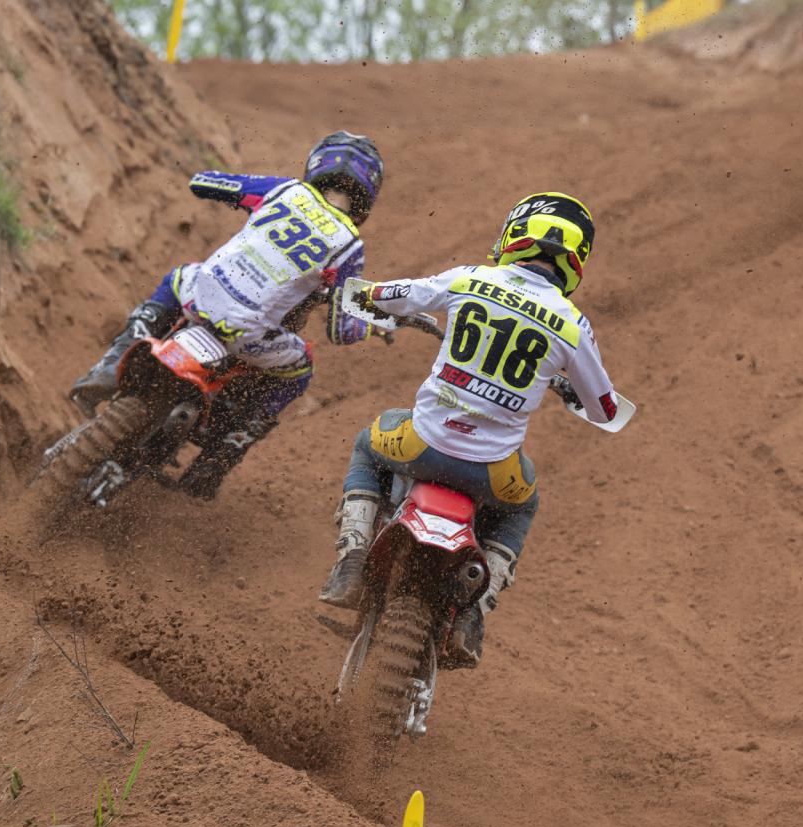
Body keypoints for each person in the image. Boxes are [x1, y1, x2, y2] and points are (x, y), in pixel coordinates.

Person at [318, 192, 620, 668]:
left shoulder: (469, 279)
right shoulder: (572, 325)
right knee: (524, 505)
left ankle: (352, 560)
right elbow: (605, 410)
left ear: (515, 236)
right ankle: (475, 612)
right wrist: (566, 385)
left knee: (367, 444)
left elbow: (386, 295)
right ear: (576, 260)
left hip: (420, 446)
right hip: (492, 473)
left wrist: (362, 295)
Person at [69, 131, 384, 500]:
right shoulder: (350, 247)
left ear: (316, 167)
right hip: (247, 335)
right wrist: (368, 323)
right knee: (300, 369)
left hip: (199, 296)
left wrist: (239, 198)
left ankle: (109, 367)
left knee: (177, 277)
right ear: (368, 194)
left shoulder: (282, 190)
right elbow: (342, 331)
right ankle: (215, 461)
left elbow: (203, 182)